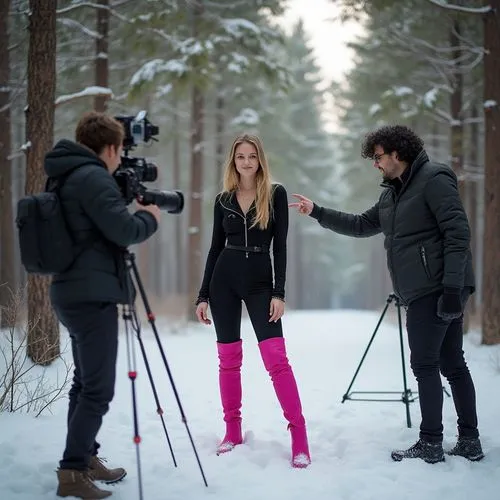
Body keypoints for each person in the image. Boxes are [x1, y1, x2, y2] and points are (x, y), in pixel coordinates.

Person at [289, 125, 483, 465]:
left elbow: (457, 232)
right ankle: (469, 440)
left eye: (378, 157)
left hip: (435, 287)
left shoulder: (434, 178)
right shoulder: (392, 194)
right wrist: (317, 211)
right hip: (425, 288)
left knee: (425, 363)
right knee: (452, 362)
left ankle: (431, 442)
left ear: (397, 153)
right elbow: (362, 225)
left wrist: (452, 289)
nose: (375, 164)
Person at [45, 111, 160, 498]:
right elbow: (124, 230)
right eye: (118, 149)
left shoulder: (65, 175)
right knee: (98, 391)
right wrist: (149, 217)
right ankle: (72, 472)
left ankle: (85, 457)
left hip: (71, 291)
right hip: (90, 295)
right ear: (110, 148)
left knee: (84, 384)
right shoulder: (92, 177)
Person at [195, 134, 311, 468]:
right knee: (228, 359)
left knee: (277, 359)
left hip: (261, 283)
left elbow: (282, 247)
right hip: (224, 281)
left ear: (261, 160)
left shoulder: (275, 193)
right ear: (233, 160)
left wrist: (279, 292)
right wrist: (203, 295)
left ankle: (299, 437)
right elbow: (215, 248)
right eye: (240, 156)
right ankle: (232, 431)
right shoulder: (223, 200)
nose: (246, 162)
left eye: (252, 156)